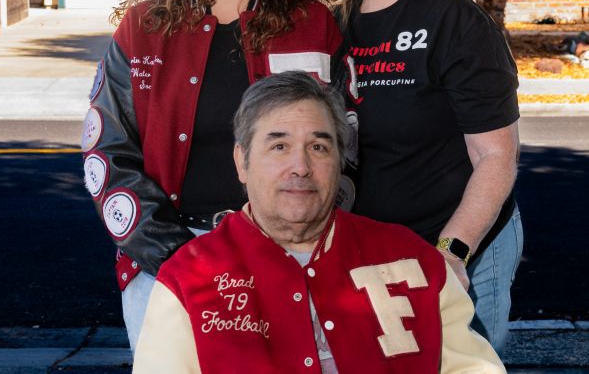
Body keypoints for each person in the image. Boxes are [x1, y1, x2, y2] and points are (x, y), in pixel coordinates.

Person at [80, 0, 346, 351]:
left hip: (291, 256)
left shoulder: (311, 25)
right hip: (166, 265)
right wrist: (179, 257)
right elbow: (107, 153)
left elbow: (345, 144)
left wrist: (303, 244)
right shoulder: (144, 29)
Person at [132, 71, 505, 374]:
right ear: (241, 162)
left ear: (340, 162)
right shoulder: (187, 278)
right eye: (279, 146)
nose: (301, 167)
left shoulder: (413, 258)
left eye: (319, 147)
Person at [321, 0, 522, 352]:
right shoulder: (335, 25)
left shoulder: (456, 22)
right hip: (369, 252)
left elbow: (496, 156)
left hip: (460, 243)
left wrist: (451, 252)